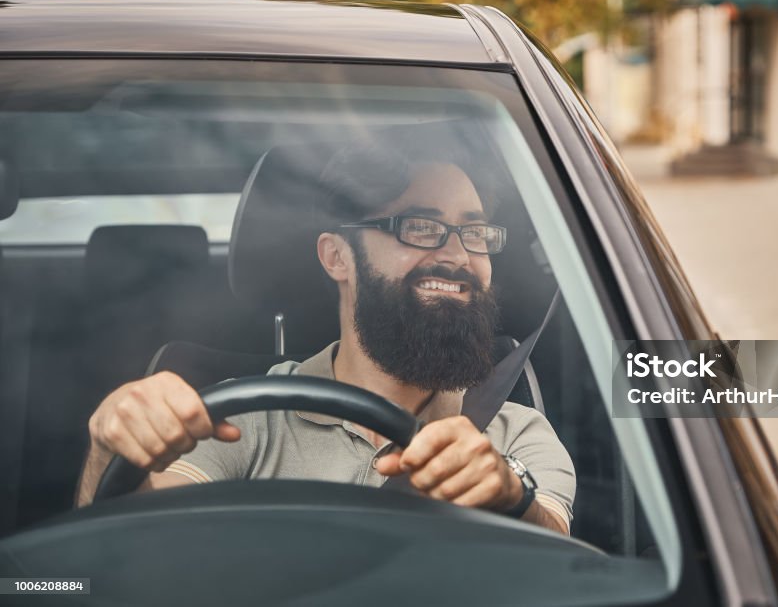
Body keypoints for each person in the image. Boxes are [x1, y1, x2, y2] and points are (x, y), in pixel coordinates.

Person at [76, 131, 575, 534]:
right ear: (337, 256)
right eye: (419, 227)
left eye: (474, 232)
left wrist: (510, 498)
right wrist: (107, 454)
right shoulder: (238, 418)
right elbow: (130, 553)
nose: (457, 255)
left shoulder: (516, 435)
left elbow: (555, 554)